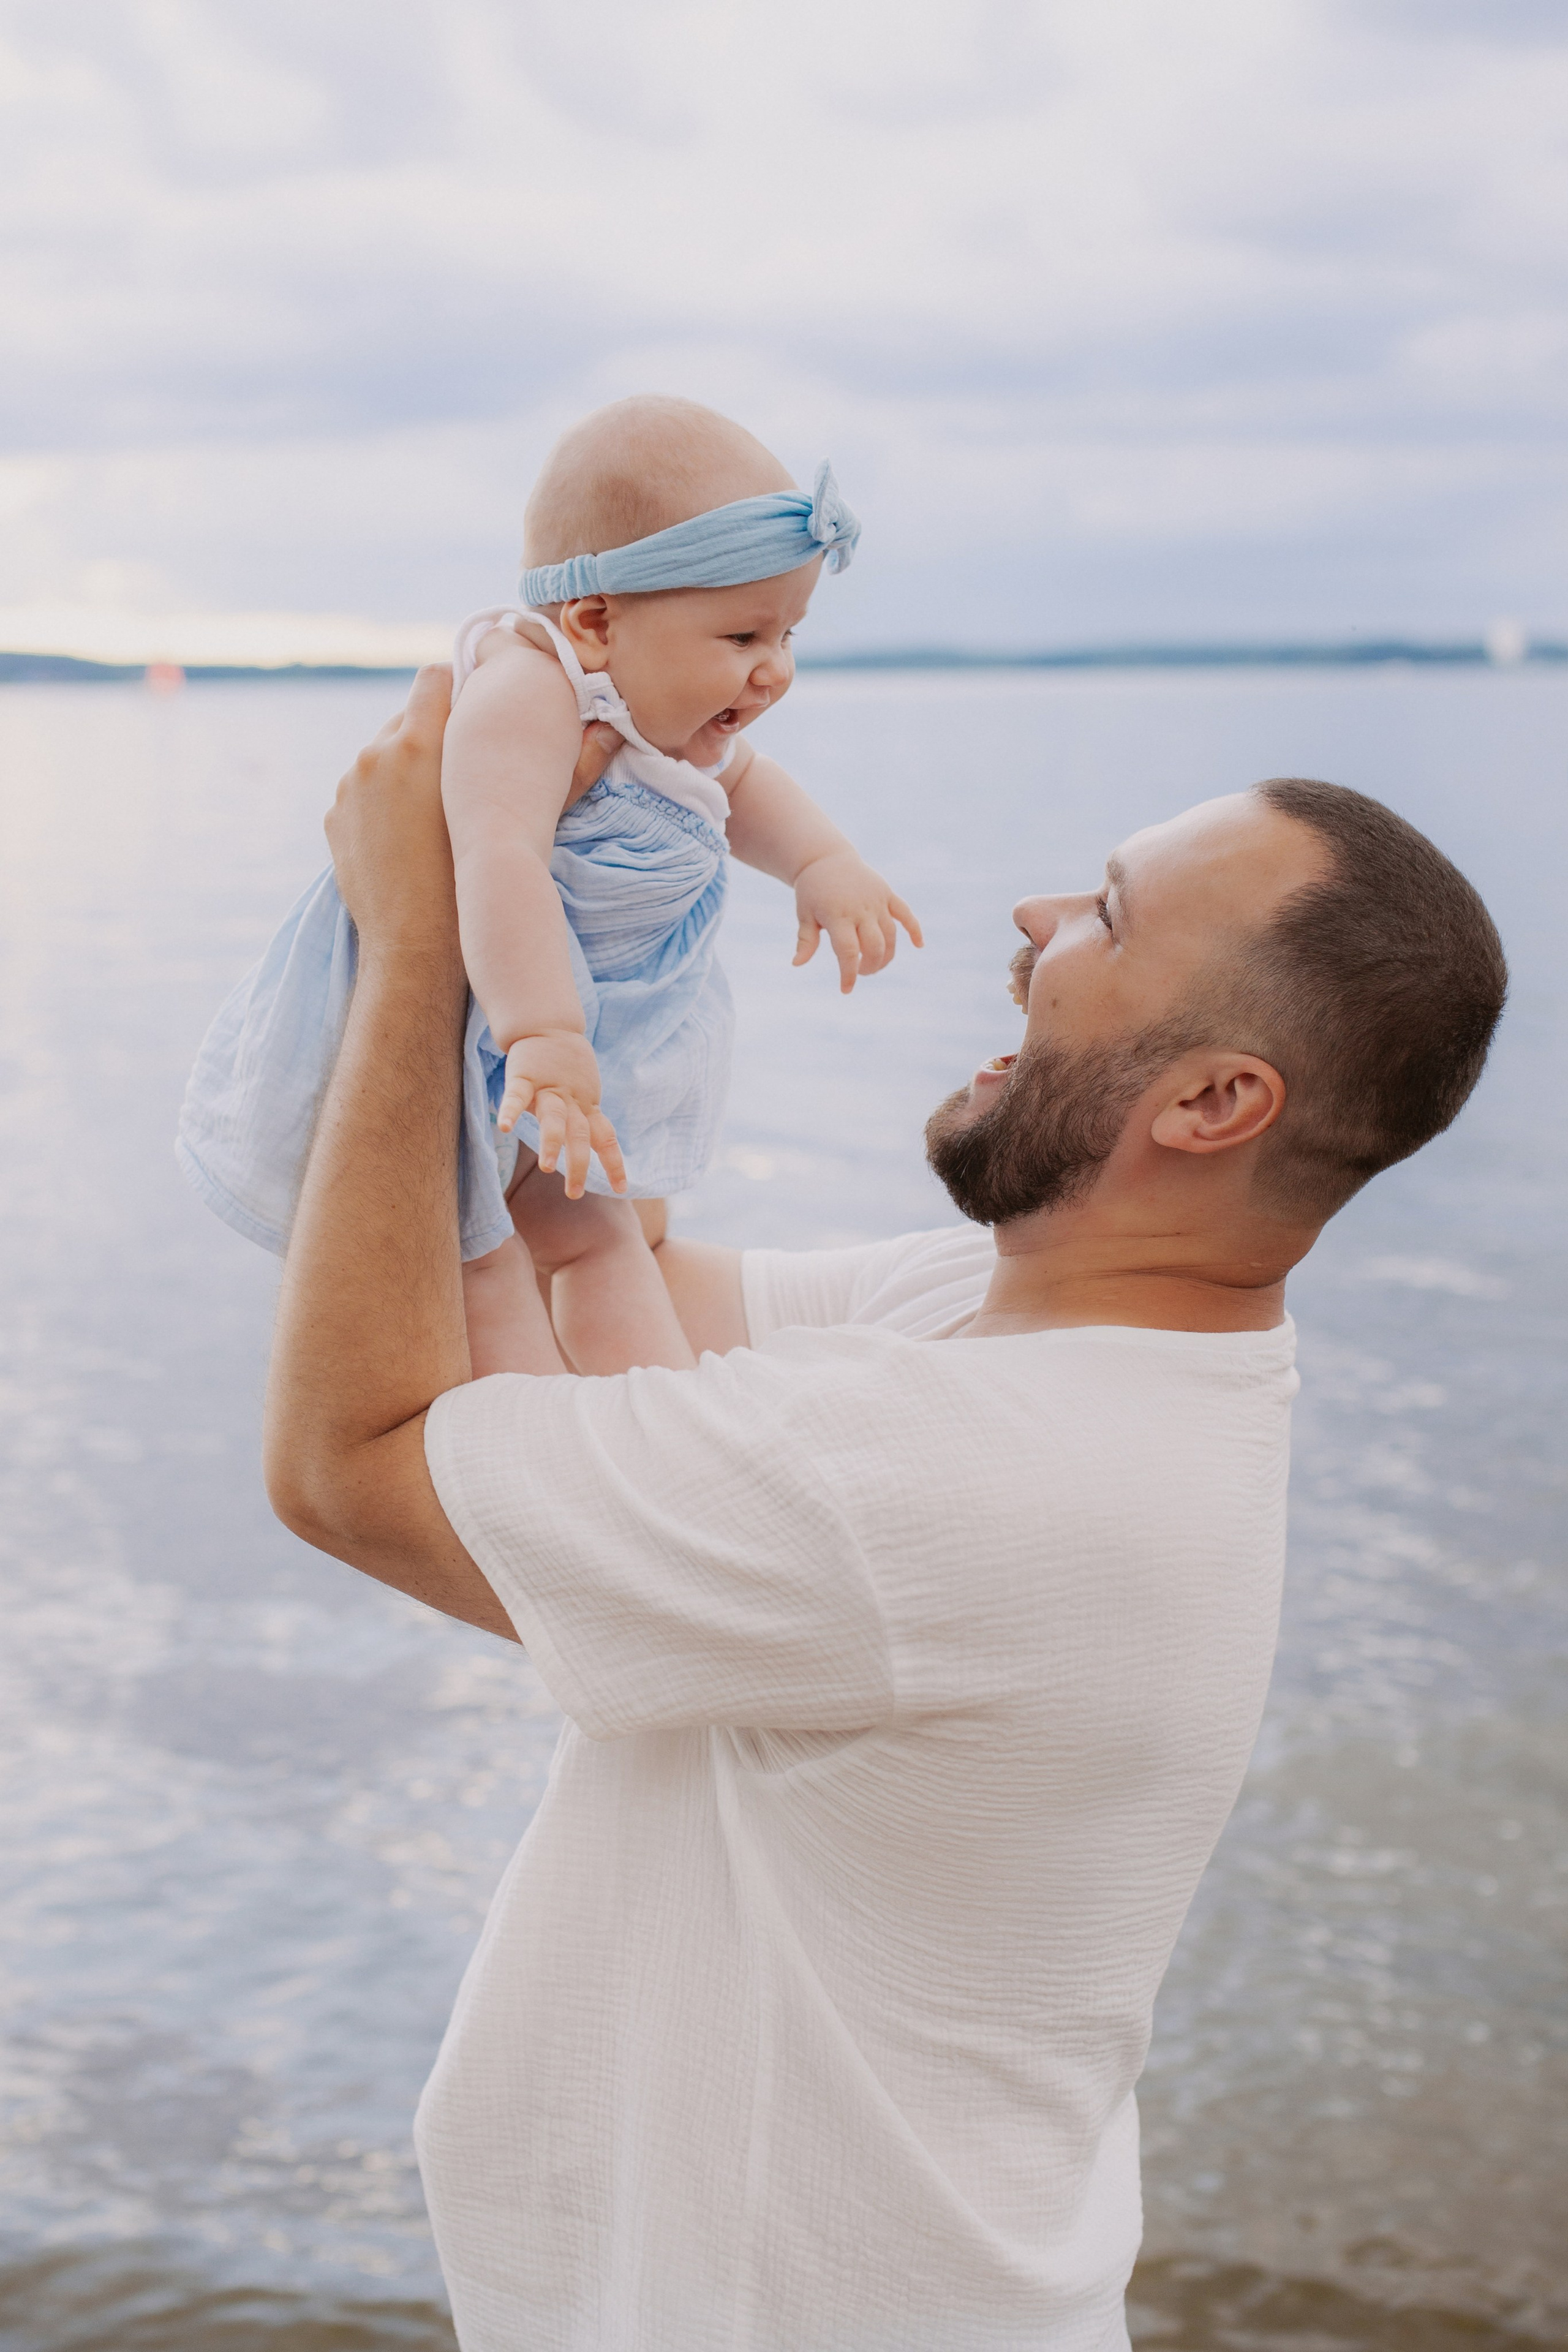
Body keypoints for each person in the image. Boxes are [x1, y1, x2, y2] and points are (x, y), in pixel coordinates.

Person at [263, 669, 1506, 2352]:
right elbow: (584, 1279)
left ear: (1212, 1104)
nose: (1034, 911)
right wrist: (575, 908)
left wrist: (414, 945)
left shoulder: (962, 1477)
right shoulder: (1018, 1328)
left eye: (1107, 918)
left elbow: (353, 1460)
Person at [176, 396, 919, 1380]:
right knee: (482, 1257)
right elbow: (498, 858)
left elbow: (744, 791)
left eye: (790, 635)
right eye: (745, 637)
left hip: (564, 1047)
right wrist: (546, 1037)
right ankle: (523, 1444)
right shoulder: (525, 695)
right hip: (478, 1034)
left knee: (597, 1238)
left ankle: (657, 1420)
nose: (775, 671)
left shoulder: (670, 717)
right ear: (597, 622)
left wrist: (825, 866)